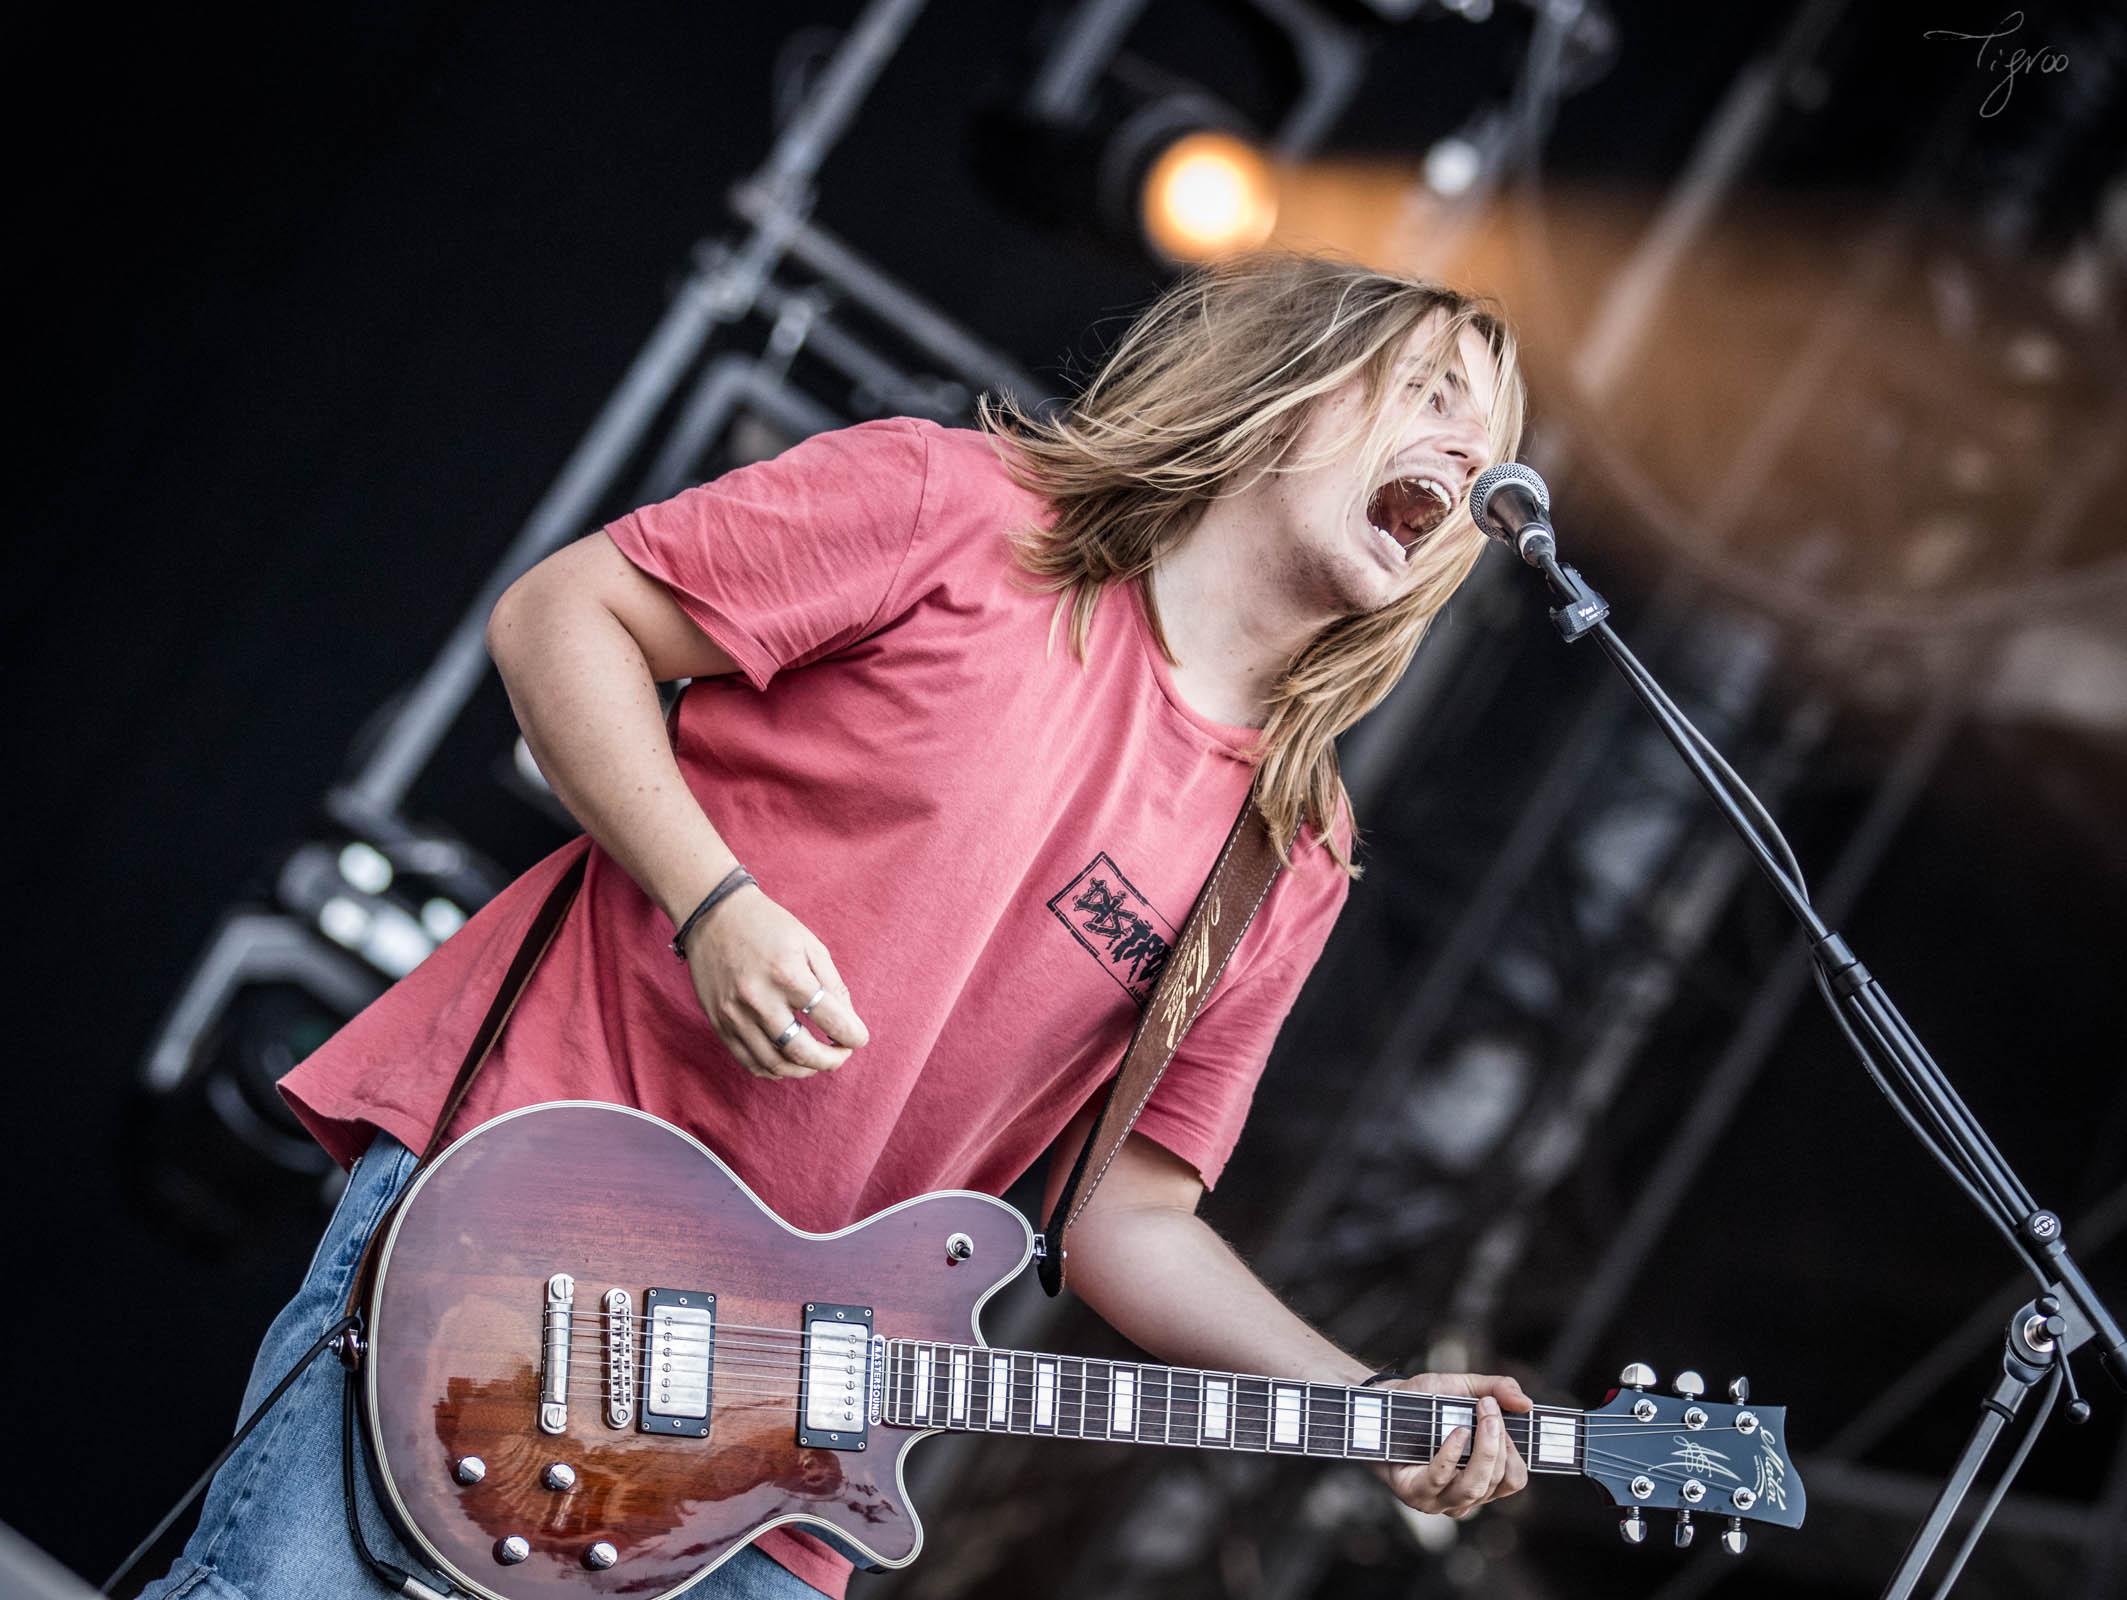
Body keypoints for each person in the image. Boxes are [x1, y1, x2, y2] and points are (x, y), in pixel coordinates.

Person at [141, 251, 1532, 1600]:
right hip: (525, 1237)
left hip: (782, 1438)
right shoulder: (959, 511)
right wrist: (714, 903)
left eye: (1495, 451)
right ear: (1286, 388)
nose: (1472, 462)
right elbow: (565, 619)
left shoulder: (1288, 853)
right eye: (1434, 399)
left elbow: (1124, 1213)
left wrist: (1365, 1401)